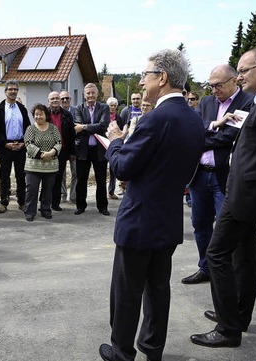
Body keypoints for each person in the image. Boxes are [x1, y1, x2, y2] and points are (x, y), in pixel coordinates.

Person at [98, 49, 204, 361]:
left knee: (128, 290)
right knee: (158, 288)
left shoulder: (155, 118)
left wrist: (116, 139)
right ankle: (153, 348)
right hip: (168, 217)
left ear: (163, 77)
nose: (142, 81)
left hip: (139, 219)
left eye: (146, 74)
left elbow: (123, 168)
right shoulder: (194, 119)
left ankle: (121, 351)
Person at [190, 48, 256, 348]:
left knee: (217, 252)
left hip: (245, 194)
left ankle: (228, 328)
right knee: (244, 255)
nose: (240, 76)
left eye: (244, 70)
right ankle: (237, 315)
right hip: (248, 190)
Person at [181, 64, 254, 285]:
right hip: (200, 174)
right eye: (211, 85)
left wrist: (203, 136)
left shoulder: (247, 102)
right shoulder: (206, 102)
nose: (214, 90)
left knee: (227, 230)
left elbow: (230, 137)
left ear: (235, 81)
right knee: (200, 224)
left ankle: (226, 274)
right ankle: (206, 268)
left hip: (225, 176)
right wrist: (215, 125)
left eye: (218, 85)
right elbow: (194, 131)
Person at [0, 80, 30, 214]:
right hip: (5, 147)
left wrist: (24, 143)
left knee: (21, 176)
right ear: (5, 91)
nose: (13, 91)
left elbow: (28, 128)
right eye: (10, 89)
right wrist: (5, 143)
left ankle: (22, 202)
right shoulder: (0, 109)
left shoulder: (22, 109)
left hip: (20, 147)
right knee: (4, 175)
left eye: (15, 89)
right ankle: (3, 202)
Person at [73, 83, 110, 216]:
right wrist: (88, 127)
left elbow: (103, 126)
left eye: (93, 93)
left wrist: (84, 127)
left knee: (101, 180)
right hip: (83, 150)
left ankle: (102, 207)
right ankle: (80, 206)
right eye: (88, 93)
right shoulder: (78, 109)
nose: (90, 96)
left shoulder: (104, 108)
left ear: (97, 94)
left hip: (99, 150)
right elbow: (77, 127)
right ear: (84, 95)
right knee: (81, 180)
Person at [23, 104, 62, 221]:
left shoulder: (53, 128)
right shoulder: (30, 128)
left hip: (50, 166)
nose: (38, 117)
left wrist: (51, 153)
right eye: (36, 114)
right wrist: (41, 155)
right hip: (33, 166)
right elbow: (28, 144)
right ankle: (29, 212)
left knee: (47, 190)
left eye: (41, 114)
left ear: (46, 115)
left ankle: (45, 210)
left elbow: (59, 142)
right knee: (32, 189)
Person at [46, 91, 75, 212]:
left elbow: (72, 135)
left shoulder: (67, 115)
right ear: (48, 101)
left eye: (57, 98)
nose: (55, 100)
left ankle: (55, 203)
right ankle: (45, 202)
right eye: (52, 99)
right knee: (47, 177)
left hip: (62, 150)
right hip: (47, 150)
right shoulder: (45, 113)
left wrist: (72, 152)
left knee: (58, 177)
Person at [106, 97, 126, 200]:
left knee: (113, 169)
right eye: (111, 105)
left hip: (114, 145)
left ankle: (111, 191)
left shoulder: (119, 119)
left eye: (114, 105)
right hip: (103, 144)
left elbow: (122, 132)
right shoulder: (103, 117)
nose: (112, 107)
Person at [60, 90, 77, 203]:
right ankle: (62, 195)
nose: (65, 100)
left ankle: (74, 196)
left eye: (67, 98)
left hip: (74, 147)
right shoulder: (57, 112)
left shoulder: (76, 111)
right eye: (63, 99)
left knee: (75, 172)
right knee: (61, 173)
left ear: (70, 99)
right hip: (61, 148)